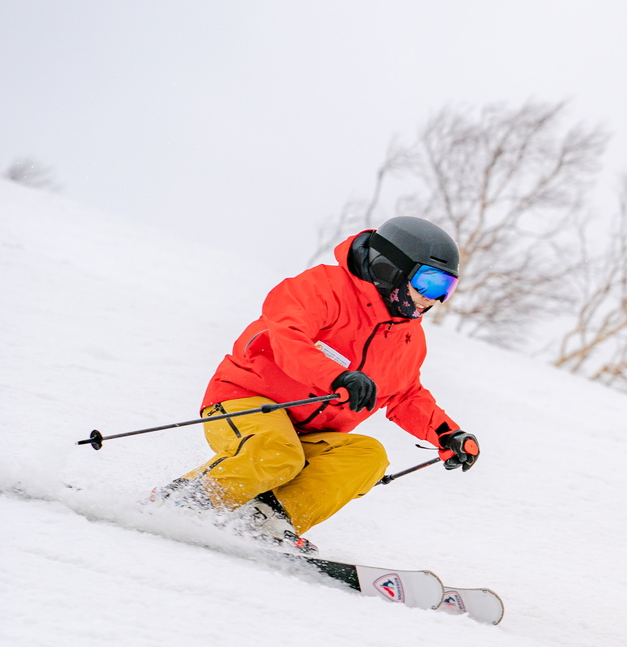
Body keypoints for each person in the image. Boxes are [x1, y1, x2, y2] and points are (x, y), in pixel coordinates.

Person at [155, 216, 479, 552]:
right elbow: (288, 339)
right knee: (277, 451)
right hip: (246, 399)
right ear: (391, 268)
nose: (434, 299)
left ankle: (263, 520)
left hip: (308, 434)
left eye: (447, 289)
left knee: (368, 456)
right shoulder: (321, 288)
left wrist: (447, 434)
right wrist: (336, 376)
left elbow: (406, 395)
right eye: (428, 282)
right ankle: (185, 502)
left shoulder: (408, 339)